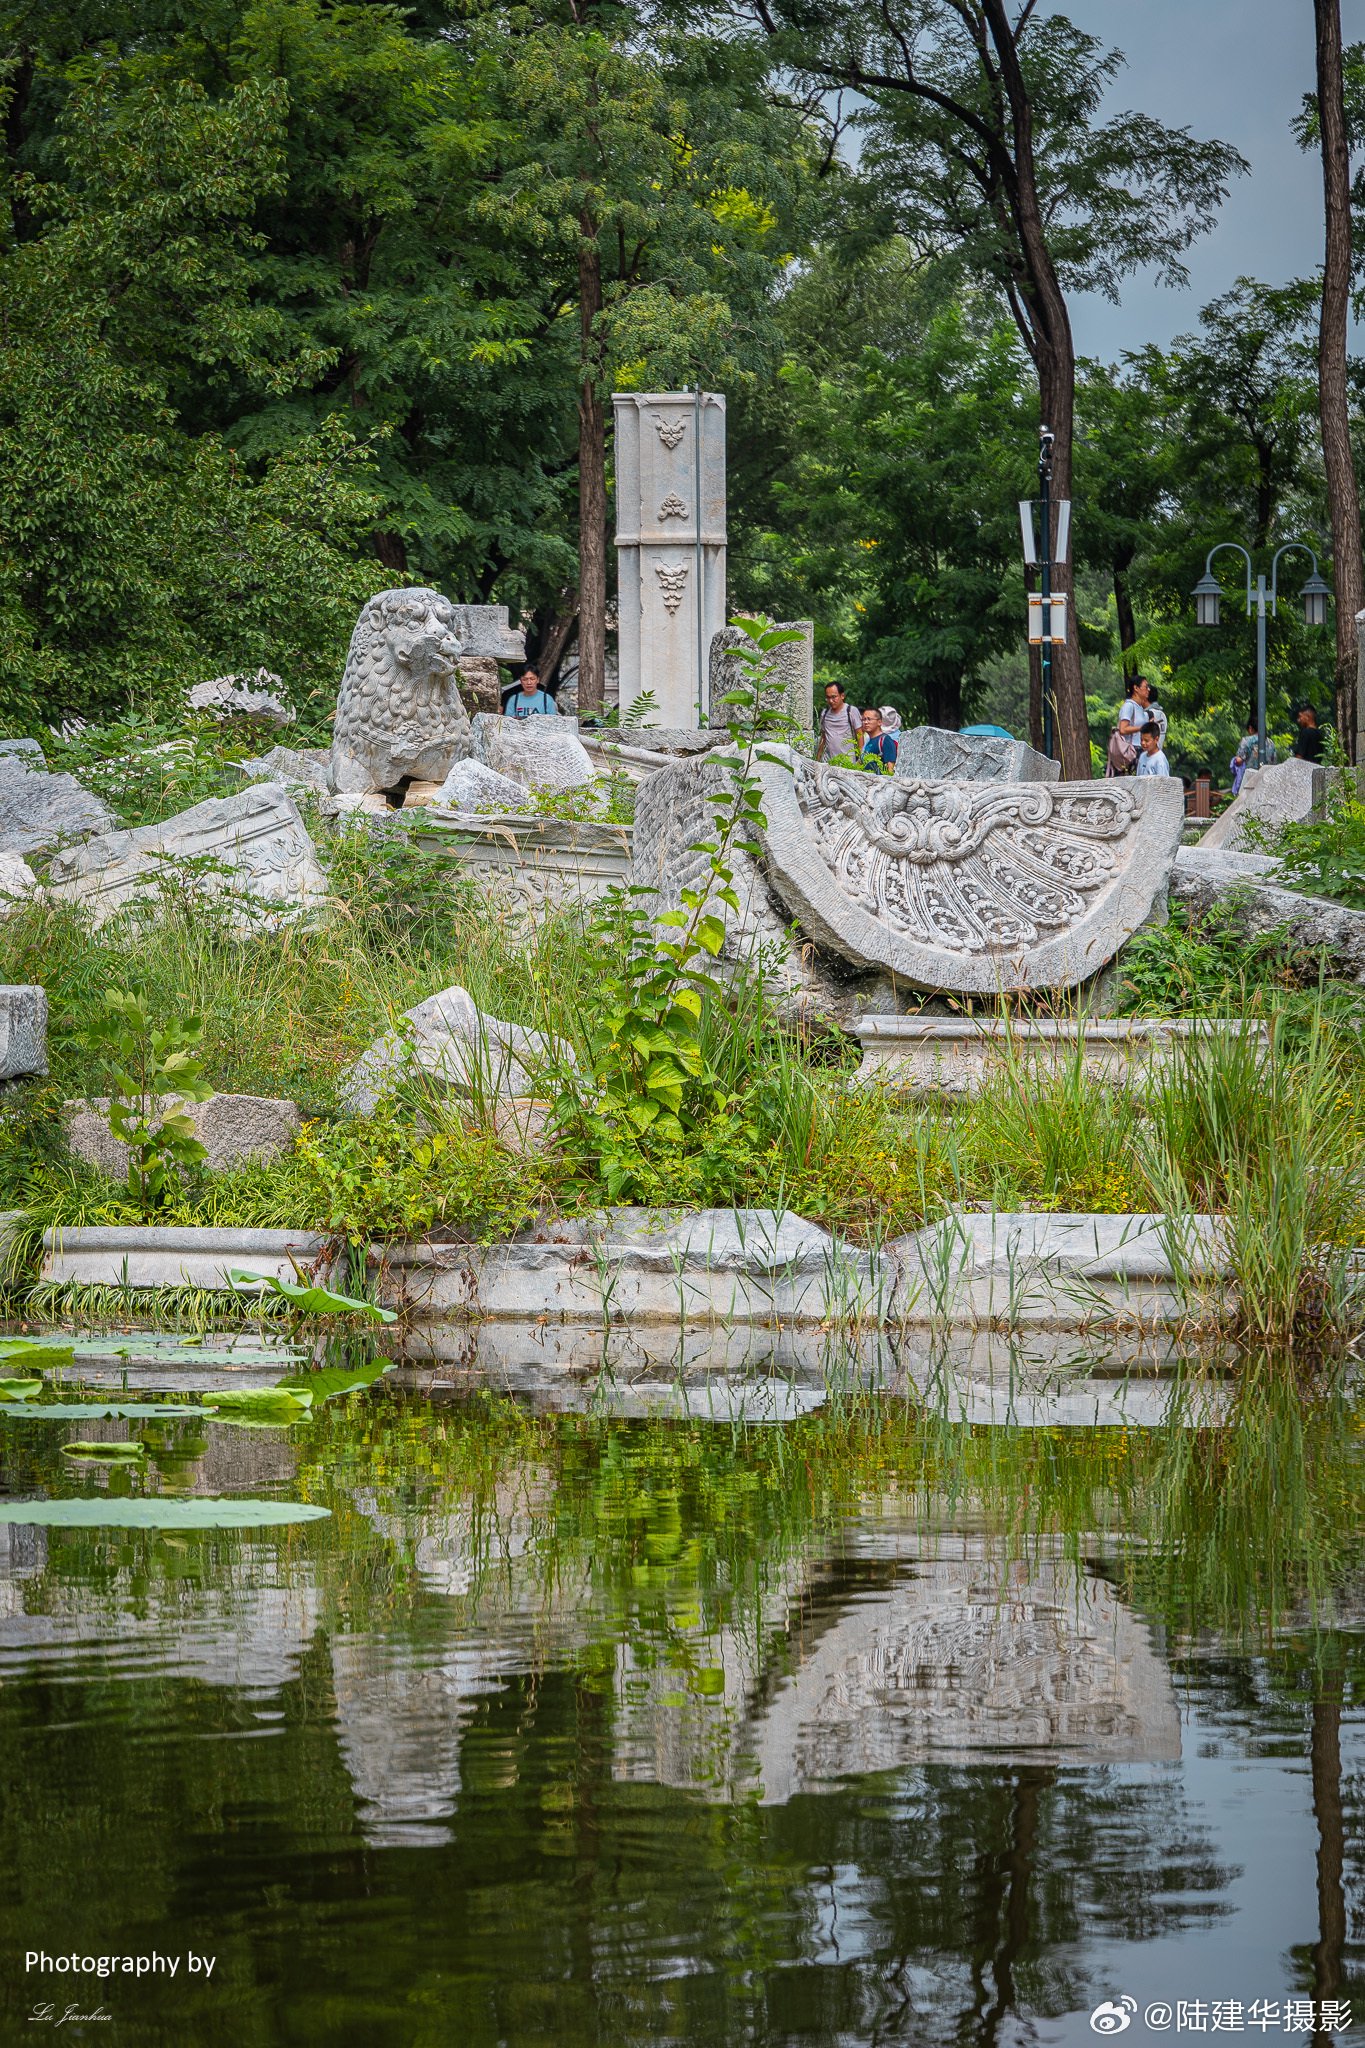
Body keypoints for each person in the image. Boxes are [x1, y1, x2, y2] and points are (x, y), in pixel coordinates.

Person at [817, 681, 862, 761]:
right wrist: (818, 759)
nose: (831, 700)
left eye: (834, 697)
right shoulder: (824, 713)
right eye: (828, 697)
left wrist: (860, 759)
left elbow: (860, 735)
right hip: (828, 762)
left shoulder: (851, 711)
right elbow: (823, 738)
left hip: (848, 762)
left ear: (842, 696)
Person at [1230, 719, 1277, 794]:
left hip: (1250, 778)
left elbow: (1239, 760)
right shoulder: (1270, 743)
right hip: (1266, 779)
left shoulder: (1246, 740)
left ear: (1250, 728)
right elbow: (1274, 763)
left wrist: (1234, 761)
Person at [859, 705, 898, 771]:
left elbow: (890, 768)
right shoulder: (868, 741)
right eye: (863, 719)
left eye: (869, 719)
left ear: (879, 722)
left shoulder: (885, 740)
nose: (865, 722)